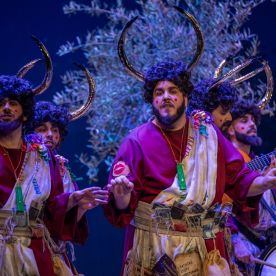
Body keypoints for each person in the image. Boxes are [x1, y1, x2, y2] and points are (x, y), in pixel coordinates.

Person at [103, 60, 276, 275]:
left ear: (185, 97)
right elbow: (120, 208)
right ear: (152, 100)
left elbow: (239, 181)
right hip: (156, 251)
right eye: (159, 92)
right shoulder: (136, 142)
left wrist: (266, 182)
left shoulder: (208, 135)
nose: (165, 96)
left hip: (207, 250)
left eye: (173, 90)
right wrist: (122, 197)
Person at [224, 100, 276, 275]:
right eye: (244, 120)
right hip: (243, 248)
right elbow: (221, 205)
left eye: (253, 119)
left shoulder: (257, 160)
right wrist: (235, 240)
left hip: (265, 244)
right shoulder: (226, 162)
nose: (252, 123)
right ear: (230, 129)